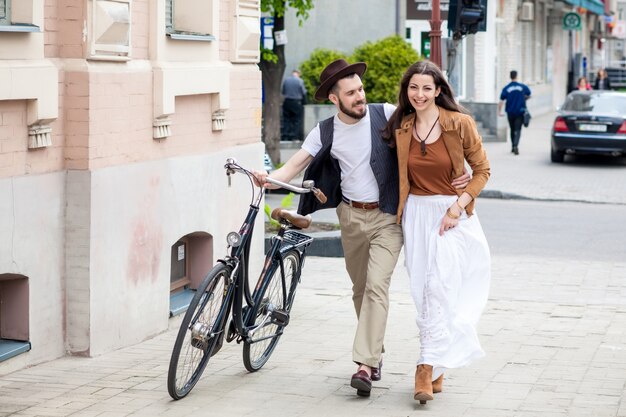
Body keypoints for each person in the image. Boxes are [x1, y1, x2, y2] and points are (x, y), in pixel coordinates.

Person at [255, 59, 470, 397]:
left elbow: (433, 126)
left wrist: (462, 168)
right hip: (350, 218)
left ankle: (364, 365)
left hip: (387, 217)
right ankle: (375, 353)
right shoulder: (325, 131)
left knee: (375, 288)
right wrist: (268, 178)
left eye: (360, 90)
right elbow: (294, 165)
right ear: (334, 99)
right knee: (359, 290)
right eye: (351, 93)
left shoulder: (385, 113)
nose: (359, 97)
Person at [382, 60, 491, 404]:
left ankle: (425, 368)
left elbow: (483, 170)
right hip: (415, 213)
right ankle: (439, 362)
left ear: (439, 90)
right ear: (406, 90)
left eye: (427, 88)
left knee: (438, 288)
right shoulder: (402, 126)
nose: (420, 94)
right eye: (414, 87)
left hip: (451, 216)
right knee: (422, 289)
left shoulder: (460, 124)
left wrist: (457, 206)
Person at [498, 70, 531, 155]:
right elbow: (529, 94)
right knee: (518, 129)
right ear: (516, 76)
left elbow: (501, 101)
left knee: (512, 129)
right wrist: (524, 99)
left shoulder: (506, 88)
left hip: (510, 112)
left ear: (510, 76)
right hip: (520, 112)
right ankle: (516, 145)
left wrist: (499, 111)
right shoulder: (523, 87)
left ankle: (513, 146)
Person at [281, 69, 307, 141]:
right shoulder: (300, 81)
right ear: (298, 74)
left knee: (286, 120)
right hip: (296, 102)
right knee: (297, 120)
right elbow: (303, 92)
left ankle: (285, 136)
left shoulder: (286, 80)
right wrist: (304, 102)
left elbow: (283, 91)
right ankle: (294, 136)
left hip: (287, 102)